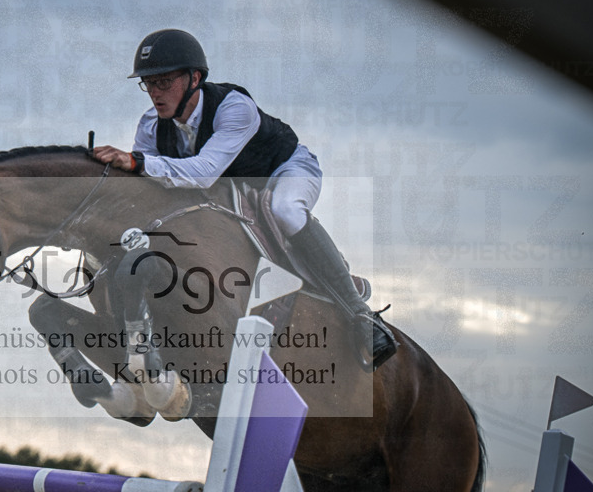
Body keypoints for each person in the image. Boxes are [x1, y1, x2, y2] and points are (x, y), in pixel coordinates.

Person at [93, 28, 397, 370]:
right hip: (232, 189)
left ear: (195, 78)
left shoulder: (234, 108)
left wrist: (137, 162)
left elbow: (203, 171)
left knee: (284, 209)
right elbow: (147, 185)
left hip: (285, 170)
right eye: (149, 83)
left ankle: (359, 314)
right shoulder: (151, 124)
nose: (155, 93)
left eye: (164, 82)